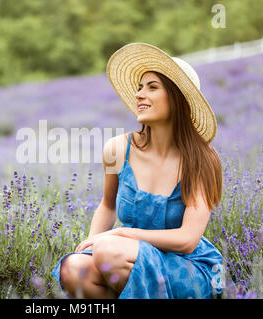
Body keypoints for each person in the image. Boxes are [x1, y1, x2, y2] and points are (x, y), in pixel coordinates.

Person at [51, 43, 224, 299]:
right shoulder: (116, 149)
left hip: (184, 266)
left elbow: (187, 239)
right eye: (139, 87)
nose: (140, 94)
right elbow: (108, 206)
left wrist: (120, 233)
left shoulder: (202, 160)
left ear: (178, 99)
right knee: (74, 268)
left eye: (152, 87)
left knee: (109, 251)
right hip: (125, 254)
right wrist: (91, 242)